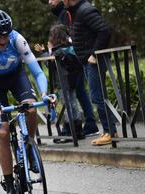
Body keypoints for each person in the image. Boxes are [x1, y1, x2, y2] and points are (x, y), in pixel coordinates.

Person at [0, 9, 50, 194]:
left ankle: (29, 145)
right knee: (3, 132)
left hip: (17, 77)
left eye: (7, 34)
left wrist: (43, 93)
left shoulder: (17, 39)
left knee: (31, 108)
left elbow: (38, 73)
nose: (4, 39)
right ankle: (9, 186)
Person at [48, 0, 117, 145]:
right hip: (86, 61)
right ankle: (109, 131)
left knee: (98, 96)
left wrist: (94, 54)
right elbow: (58, 12)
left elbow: (104, 30)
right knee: (97, 96)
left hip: (94, 60)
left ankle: (110, 132)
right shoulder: (73, 11)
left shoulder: (85, 10)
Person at [48, 23, 83, 142]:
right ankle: (78, 130)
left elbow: (49, 63)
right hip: (73, 81)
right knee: (73, 105)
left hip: (62, 83)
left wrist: (47, 51)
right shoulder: (71, 48)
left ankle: (68, 132)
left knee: (67, 106)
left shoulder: (57, 52)